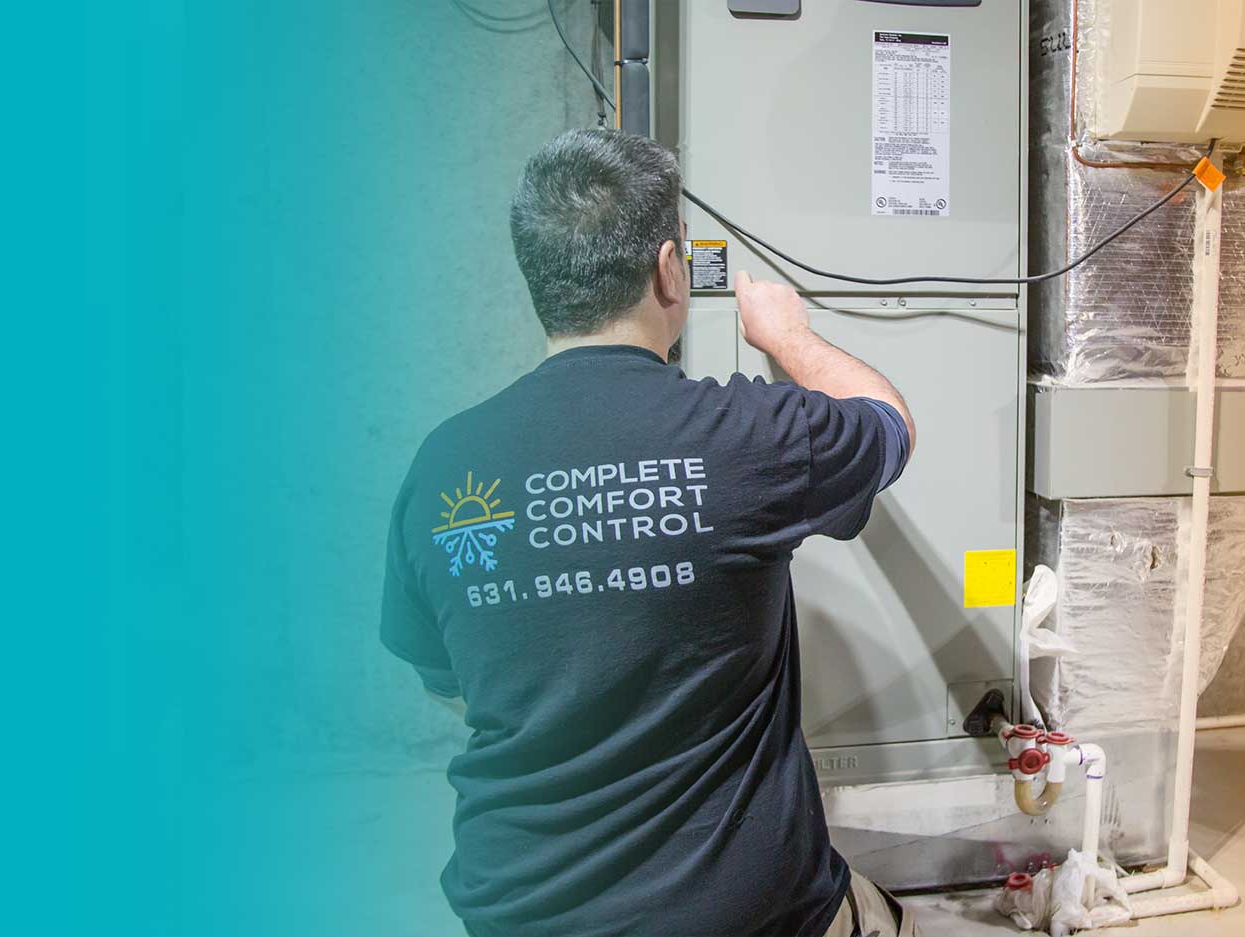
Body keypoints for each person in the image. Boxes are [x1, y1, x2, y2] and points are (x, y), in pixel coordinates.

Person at [380, 128, 921, 937]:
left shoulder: (442, 468)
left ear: (538, 278)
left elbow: (443, 679)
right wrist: (786, 336)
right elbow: (889, 424)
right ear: (670, 268)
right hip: (750, 919)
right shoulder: (744, 436)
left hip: (522, 913)